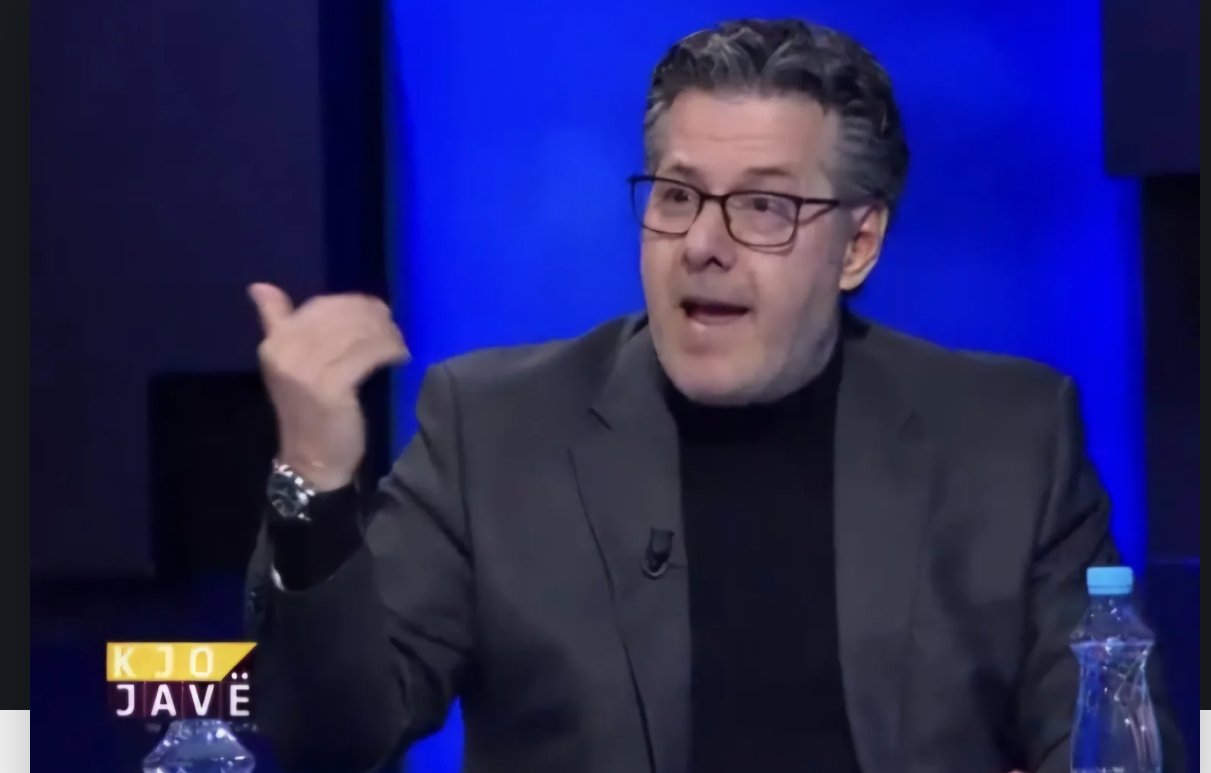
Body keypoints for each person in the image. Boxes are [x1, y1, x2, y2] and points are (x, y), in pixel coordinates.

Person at [242, 17, 1184, 773]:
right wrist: (313, 480)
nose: (702, 243)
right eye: (677, 196)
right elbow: (335, 736)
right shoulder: (492, 430)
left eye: (763, 205)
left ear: (857, 245)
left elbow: (1113, 740)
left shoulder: (1007, 438)